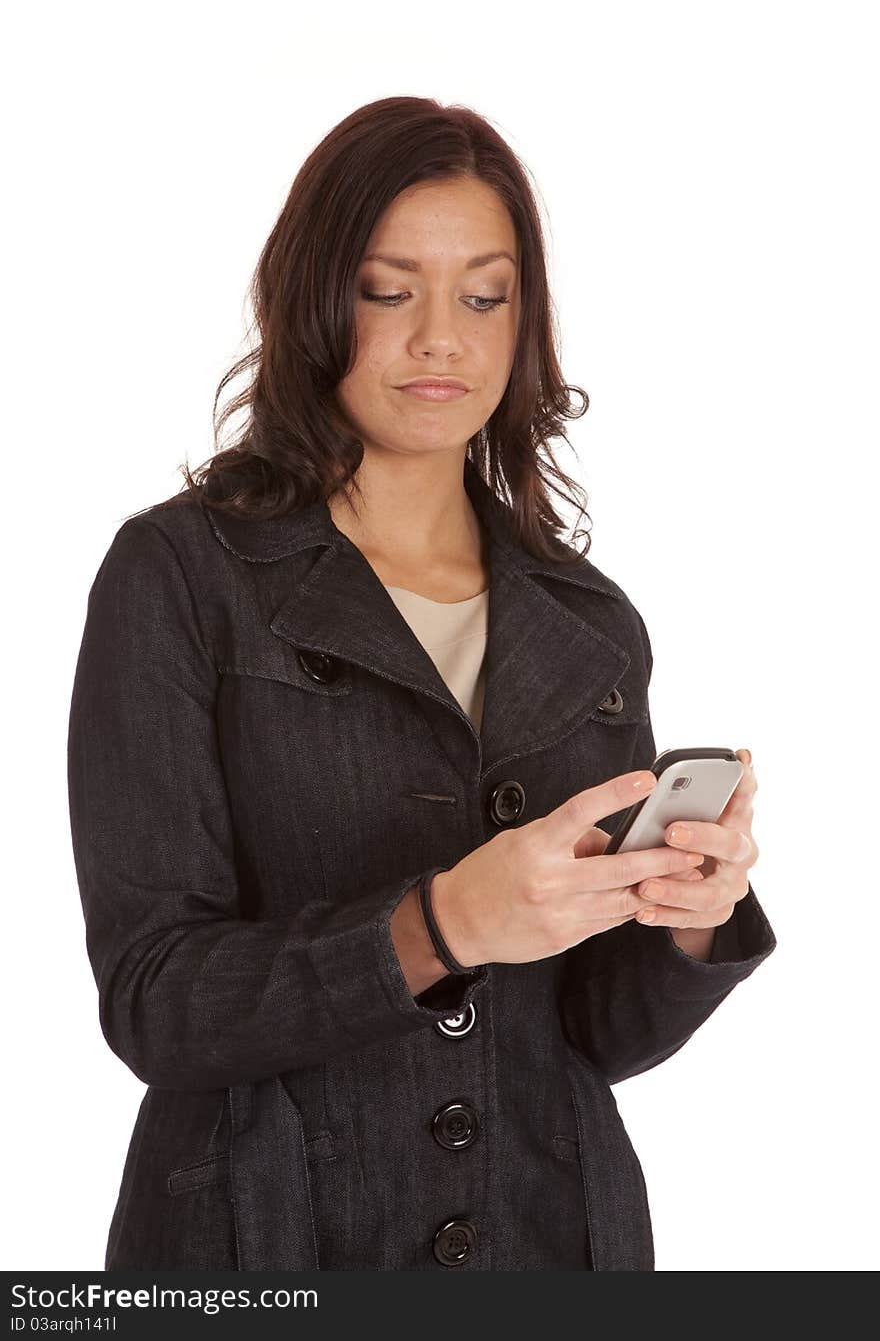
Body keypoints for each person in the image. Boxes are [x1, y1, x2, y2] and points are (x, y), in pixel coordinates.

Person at [67, 96, 777, 1272]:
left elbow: (590, 1035)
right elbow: (156, 999)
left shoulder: (587, 621)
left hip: (553, 1238)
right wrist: (440, 923)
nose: (441, 337)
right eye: (389, 290)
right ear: (313, 303)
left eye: (483, 295)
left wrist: (685, 921)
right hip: (269, 1241)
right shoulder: (182, 575)